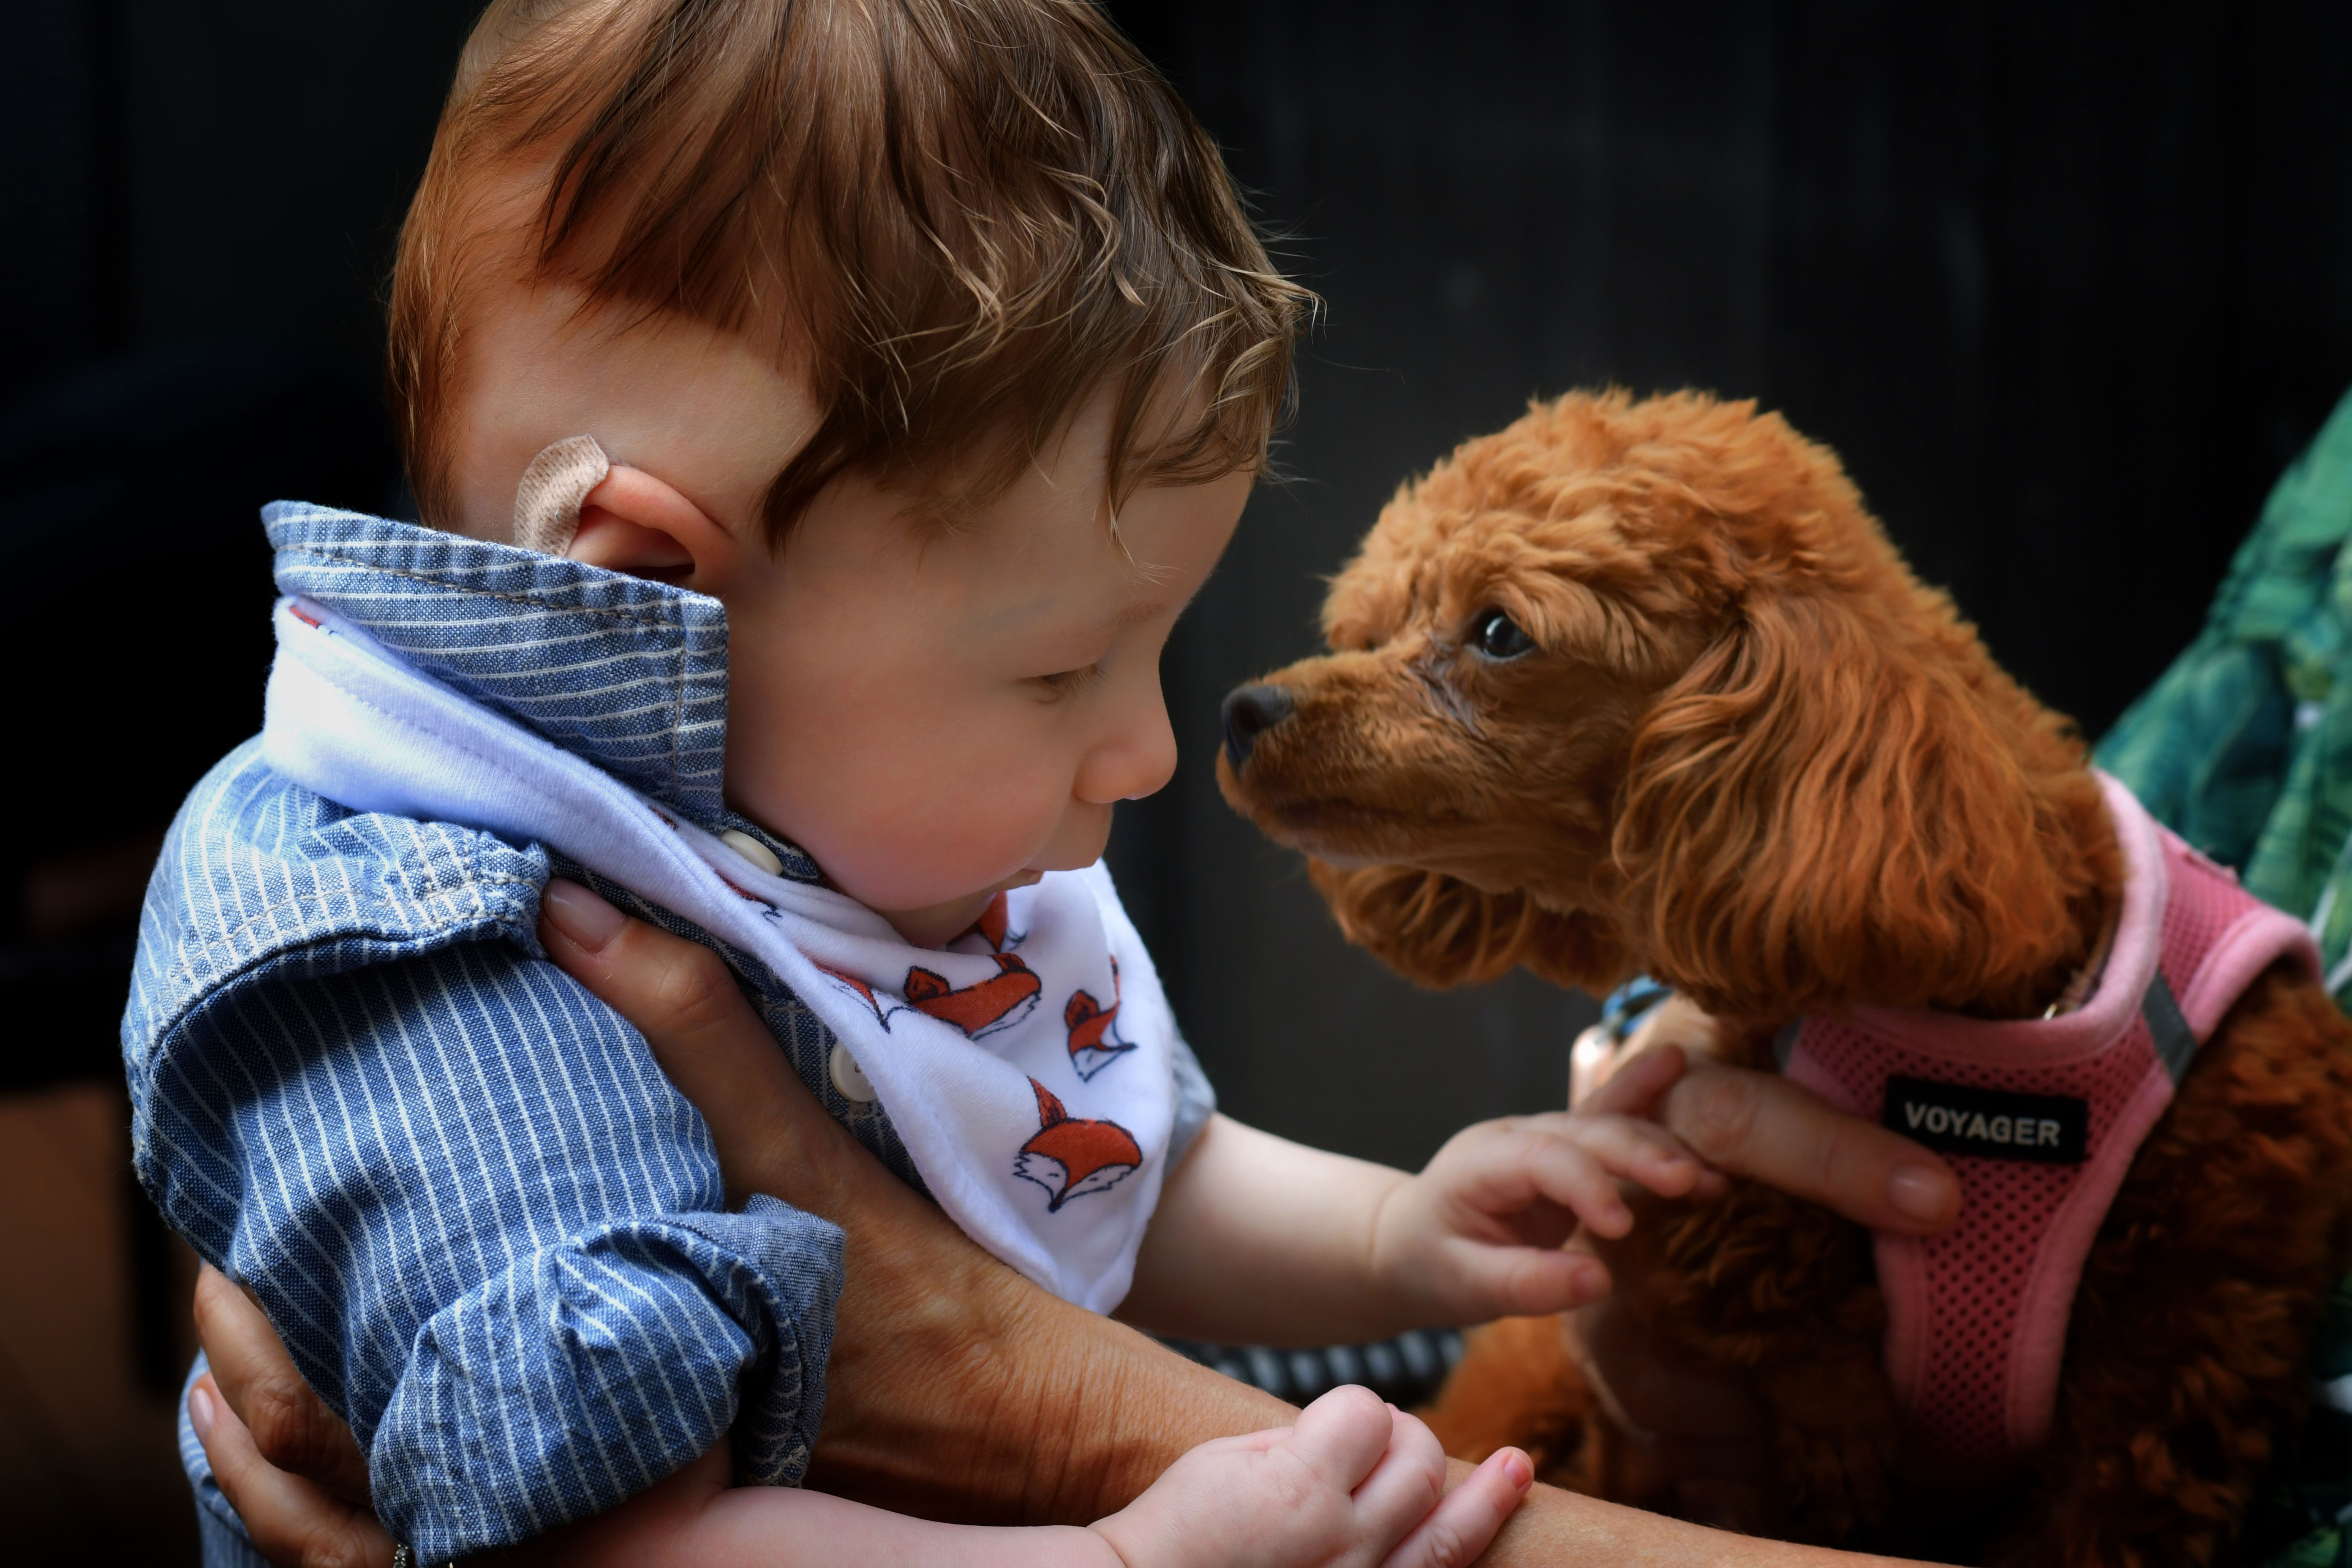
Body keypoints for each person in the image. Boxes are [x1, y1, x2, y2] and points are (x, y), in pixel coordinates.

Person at [132, 2, 1739, 1563]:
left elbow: (1105, 1164)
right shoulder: (443, 970)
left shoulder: (825, 821)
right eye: (1057, 673)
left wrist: (1403, 1238)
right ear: (647, 589)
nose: (1152, 753)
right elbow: (622, 1536)